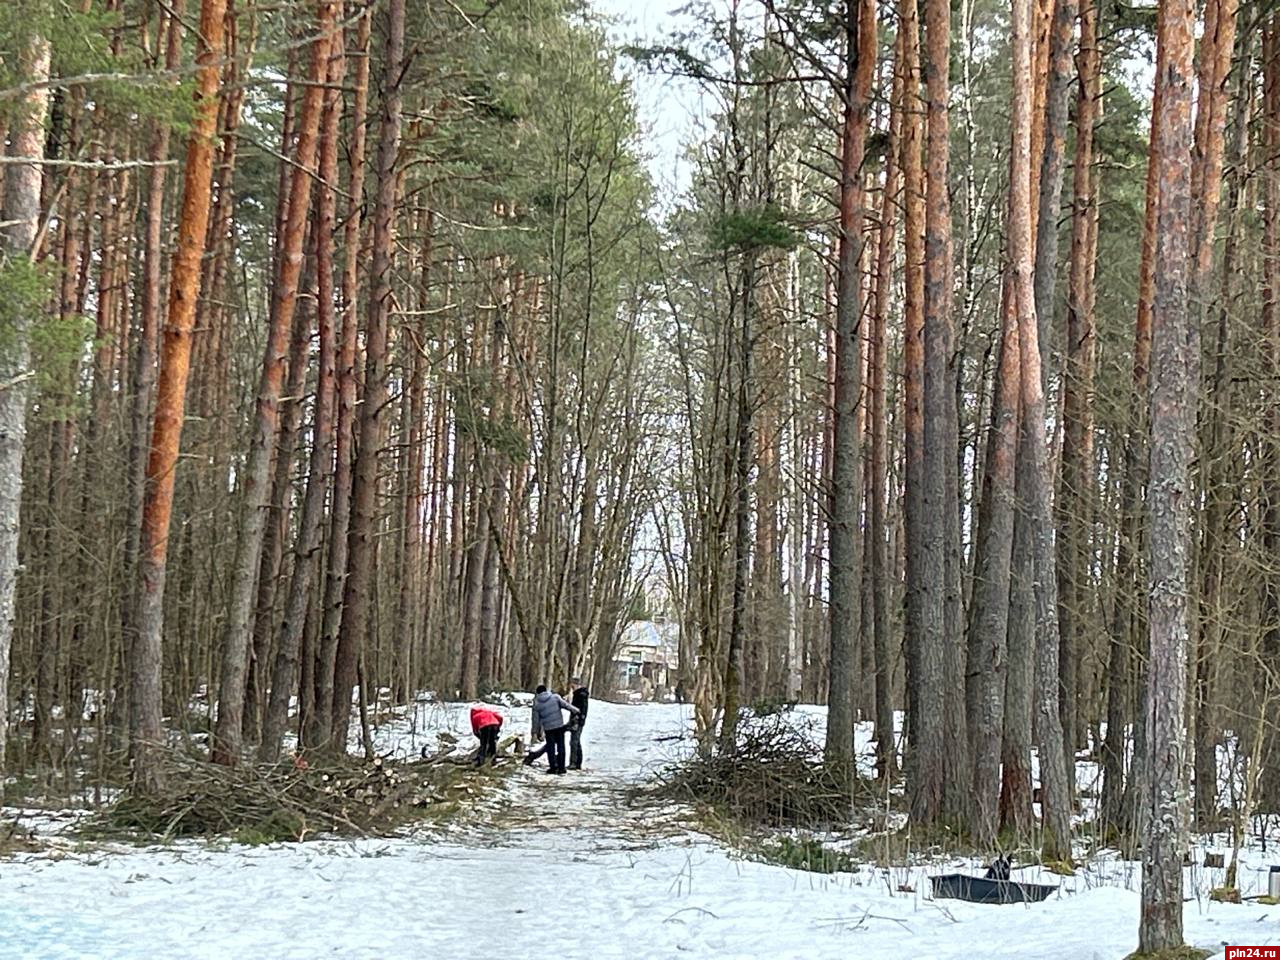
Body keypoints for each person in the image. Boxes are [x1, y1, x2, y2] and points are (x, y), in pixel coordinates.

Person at [524, 684, 579, 774]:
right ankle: (561, 767)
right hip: (559, 726)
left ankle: (553, 767)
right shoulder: (555, 697)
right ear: (546, 690)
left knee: (551, 747)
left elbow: (535, 720)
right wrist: (576, 710)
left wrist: (534, 732)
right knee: (561, 746)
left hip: (548, 728)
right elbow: (566, 706)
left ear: (537, 693)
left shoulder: (537, 704)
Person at [567, 677, 589, 770]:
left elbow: (581, 709)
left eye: (572, 685)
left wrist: (578, 720)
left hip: (577, 721)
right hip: (577, 720)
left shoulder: (580, 695)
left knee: (574, 742)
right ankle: (577, 763)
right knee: (576, 741)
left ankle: (573, 763)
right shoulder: (579, 694)